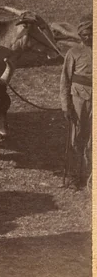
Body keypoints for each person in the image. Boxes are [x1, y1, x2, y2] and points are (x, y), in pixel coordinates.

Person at [61, 19, 92, 188]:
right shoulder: (73, 53)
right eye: (84, 35)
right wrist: (66, 106)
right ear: (80, 36)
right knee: (77, 137)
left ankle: (90, 175)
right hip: (78, 100)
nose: (88, 37)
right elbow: (65, 80)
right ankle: (75, 174)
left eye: (91, 34)